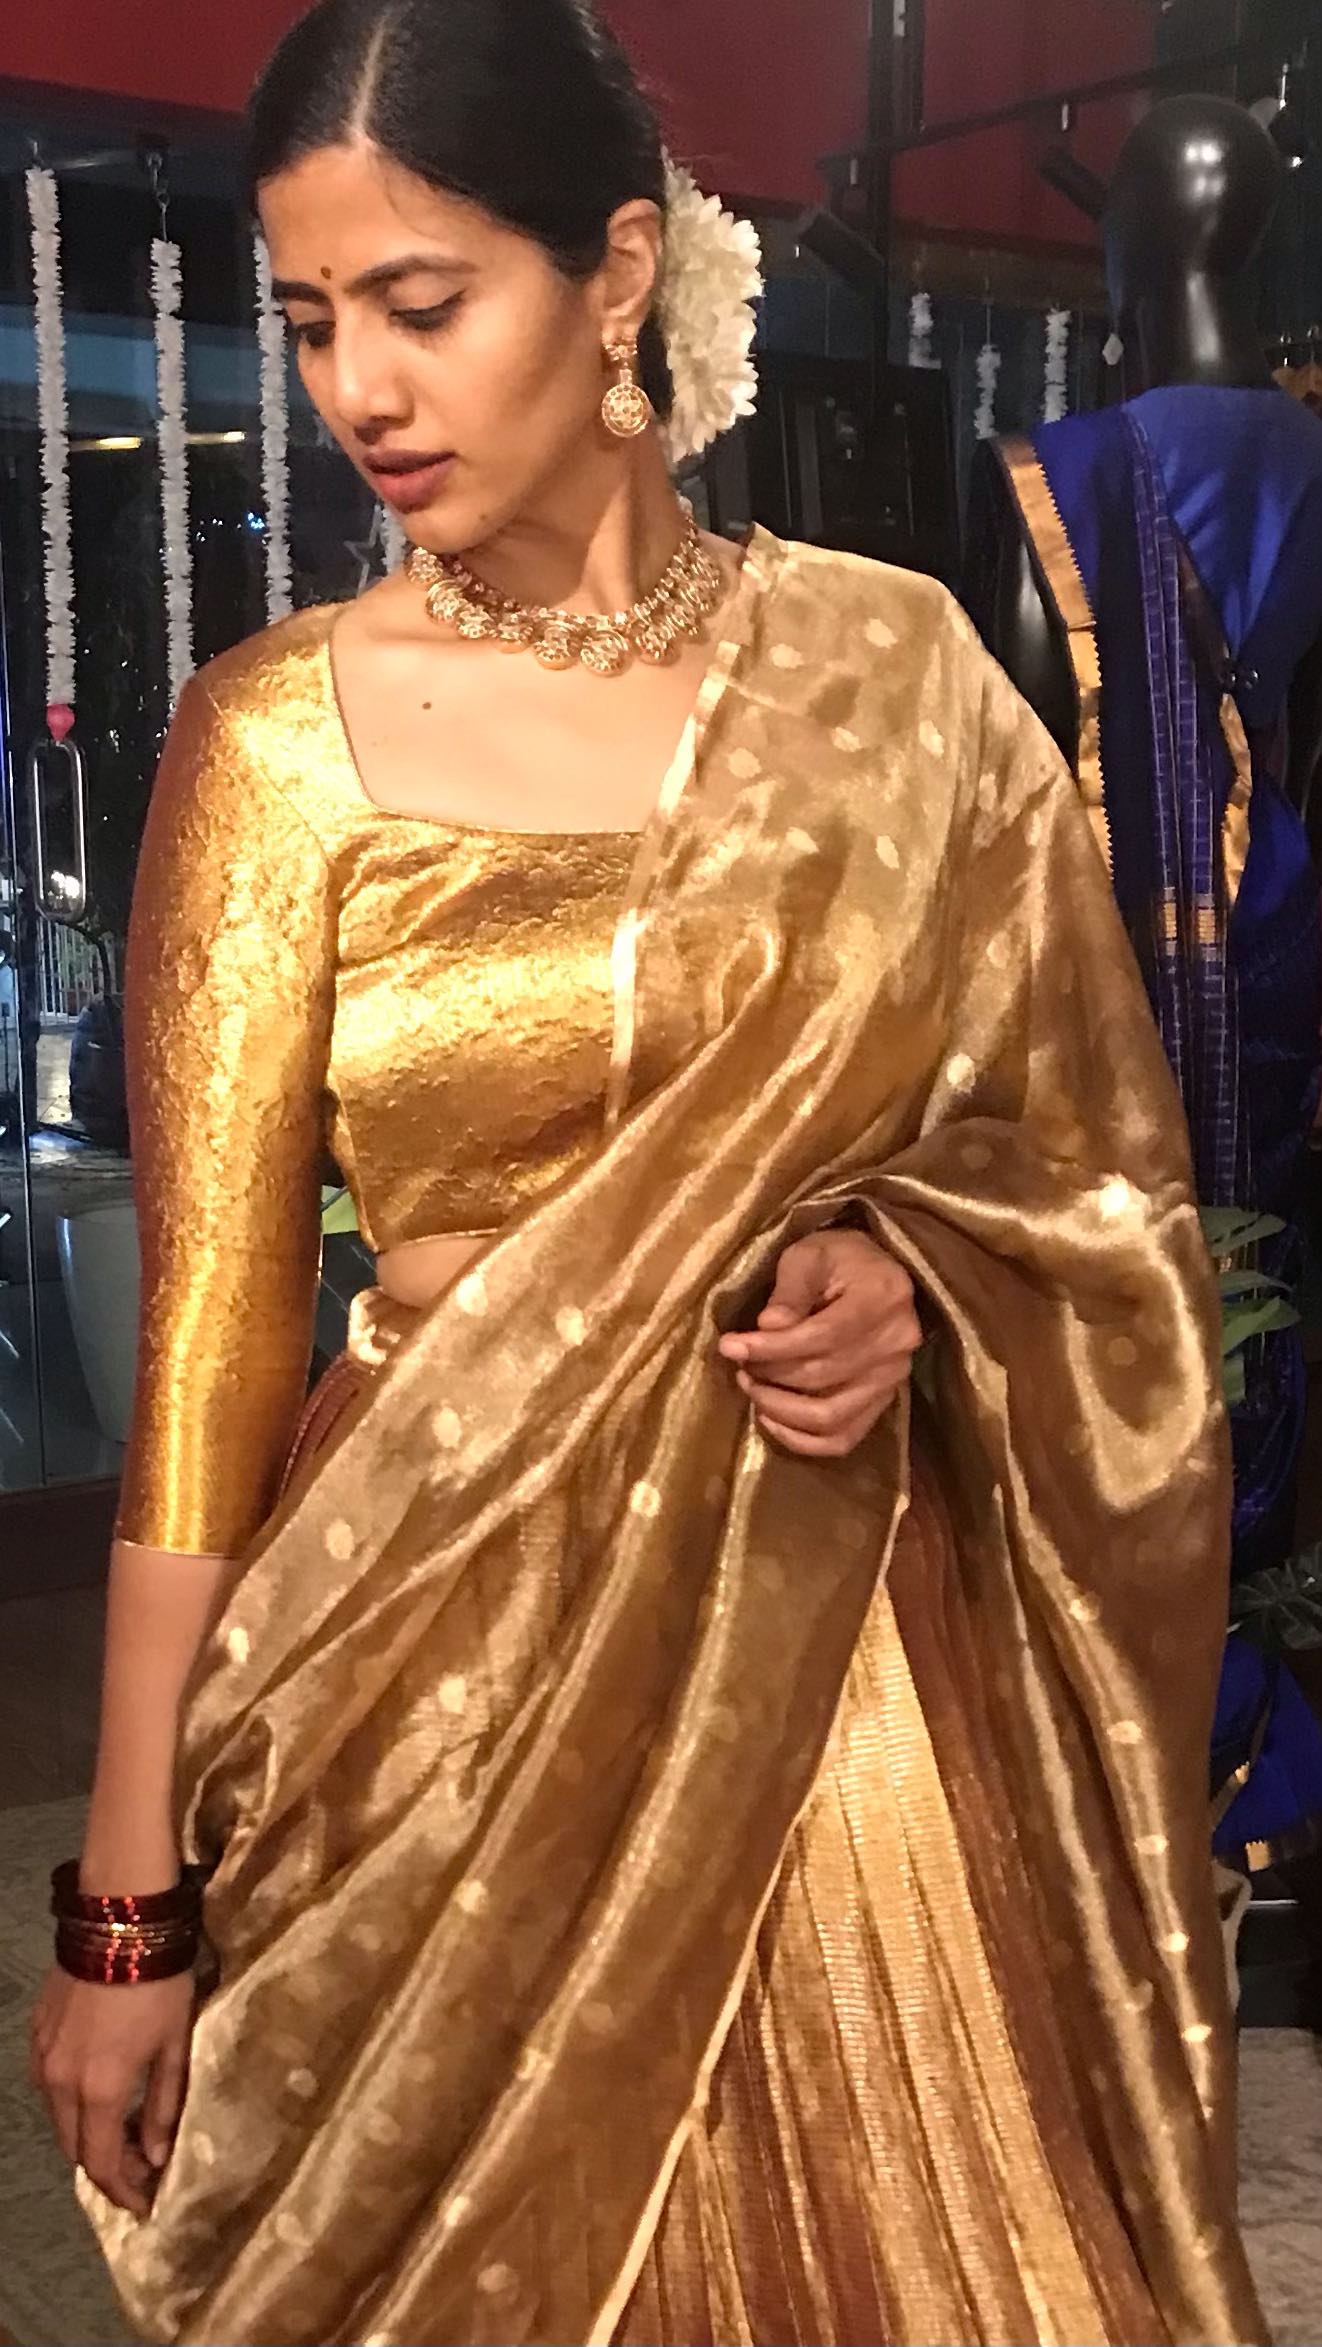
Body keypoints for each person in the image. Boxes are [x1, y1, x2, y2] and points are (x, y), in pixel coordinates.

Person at [32, 4, 1266, 2342]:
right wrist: (128, 1895)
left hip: (840, 1681)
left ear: (614, 273)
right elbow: (209, 1343)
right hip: (430, 1677)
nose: (360, 390)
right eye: (311, 321)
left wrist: (913, 1272)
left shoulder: (895, 678)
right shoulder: (278, 738)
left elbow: (1084, 1177)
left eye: (421, 303)